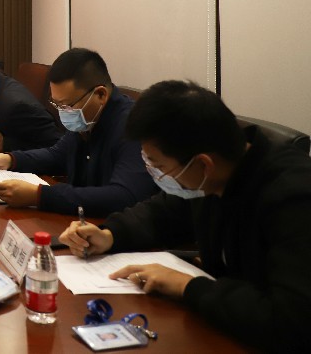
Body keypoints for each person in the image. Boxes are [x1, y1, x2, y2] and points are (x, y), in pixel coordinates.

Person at [59, 80, 311, 351]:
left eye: (158, 165)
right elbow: (165, 211)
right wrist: (110, 235)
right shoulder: (216, 174)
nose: (155, 174)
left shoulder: (294, 198)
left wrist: (188, 287)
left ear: (203, 164)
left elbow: (291, 321)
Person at [0, 48, 156, 215]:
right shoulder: (87, 119)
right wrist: (10, 159)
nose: (63, 112)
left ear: (100, 94)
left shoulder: (134, 126)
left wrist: (39, 196)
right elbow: (57, 155)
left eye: (67, 105)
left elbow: (122, 197)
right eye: (57, 104)